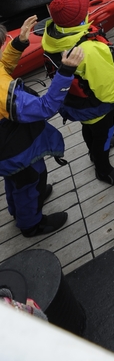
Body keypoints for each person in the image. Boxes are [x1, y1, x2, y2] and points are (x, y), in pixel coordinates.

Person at [0, 14, 84, 236]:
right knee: (30, 180)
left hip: (5, 148)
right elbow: (46, 107)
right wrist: (65, 71)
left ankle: (15, 210)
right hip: (13, 148)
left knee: (15, 180)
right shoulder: (3, 94)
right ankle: (31, 224)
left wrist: (17, 45)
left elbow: (2, 67)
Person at [41, 0, 114, 186]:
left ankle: (93, 153)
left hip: (74, 103)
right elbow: (107, 88)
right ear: (82, 17)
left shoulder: (50, 38)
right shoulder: (89, 50)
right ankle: (103, 170)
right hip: (96, 107)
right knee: (103, 134)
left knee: (89, 128)